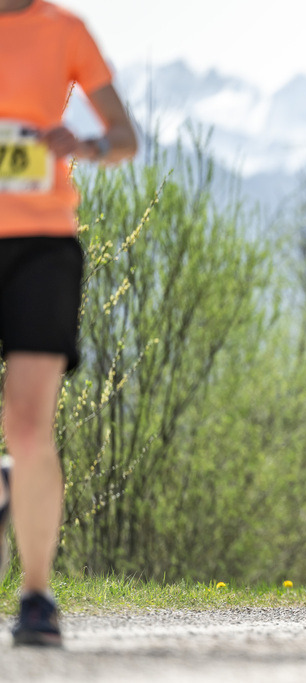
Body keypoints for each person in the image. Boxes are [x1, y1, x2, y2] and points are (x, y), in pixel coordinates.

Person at [0, 0, 137, 647]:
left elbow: (125, 137)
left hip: (42, 245)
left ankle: (35, 594)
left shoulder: (65, 31)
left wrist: (85, 143)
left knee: (29, 426)